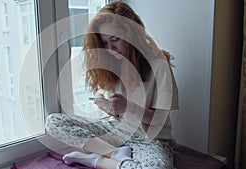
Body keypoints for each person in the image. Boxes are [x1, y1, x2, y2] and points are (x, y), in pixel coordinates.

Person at [46, 2, 179, 169]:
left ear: (133, 35)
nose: (110, 48)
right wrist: (107, 105)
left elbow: (158, 120)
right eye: (104, 42)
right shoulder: (113, 62)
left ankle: (96, 160)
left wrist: (128, 107)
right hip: (116, 132)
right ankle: (114, 154)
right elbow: (117, 109)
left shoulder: (159, 65)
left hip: (149, 139)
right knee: (54, 122)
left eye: (115, 40)